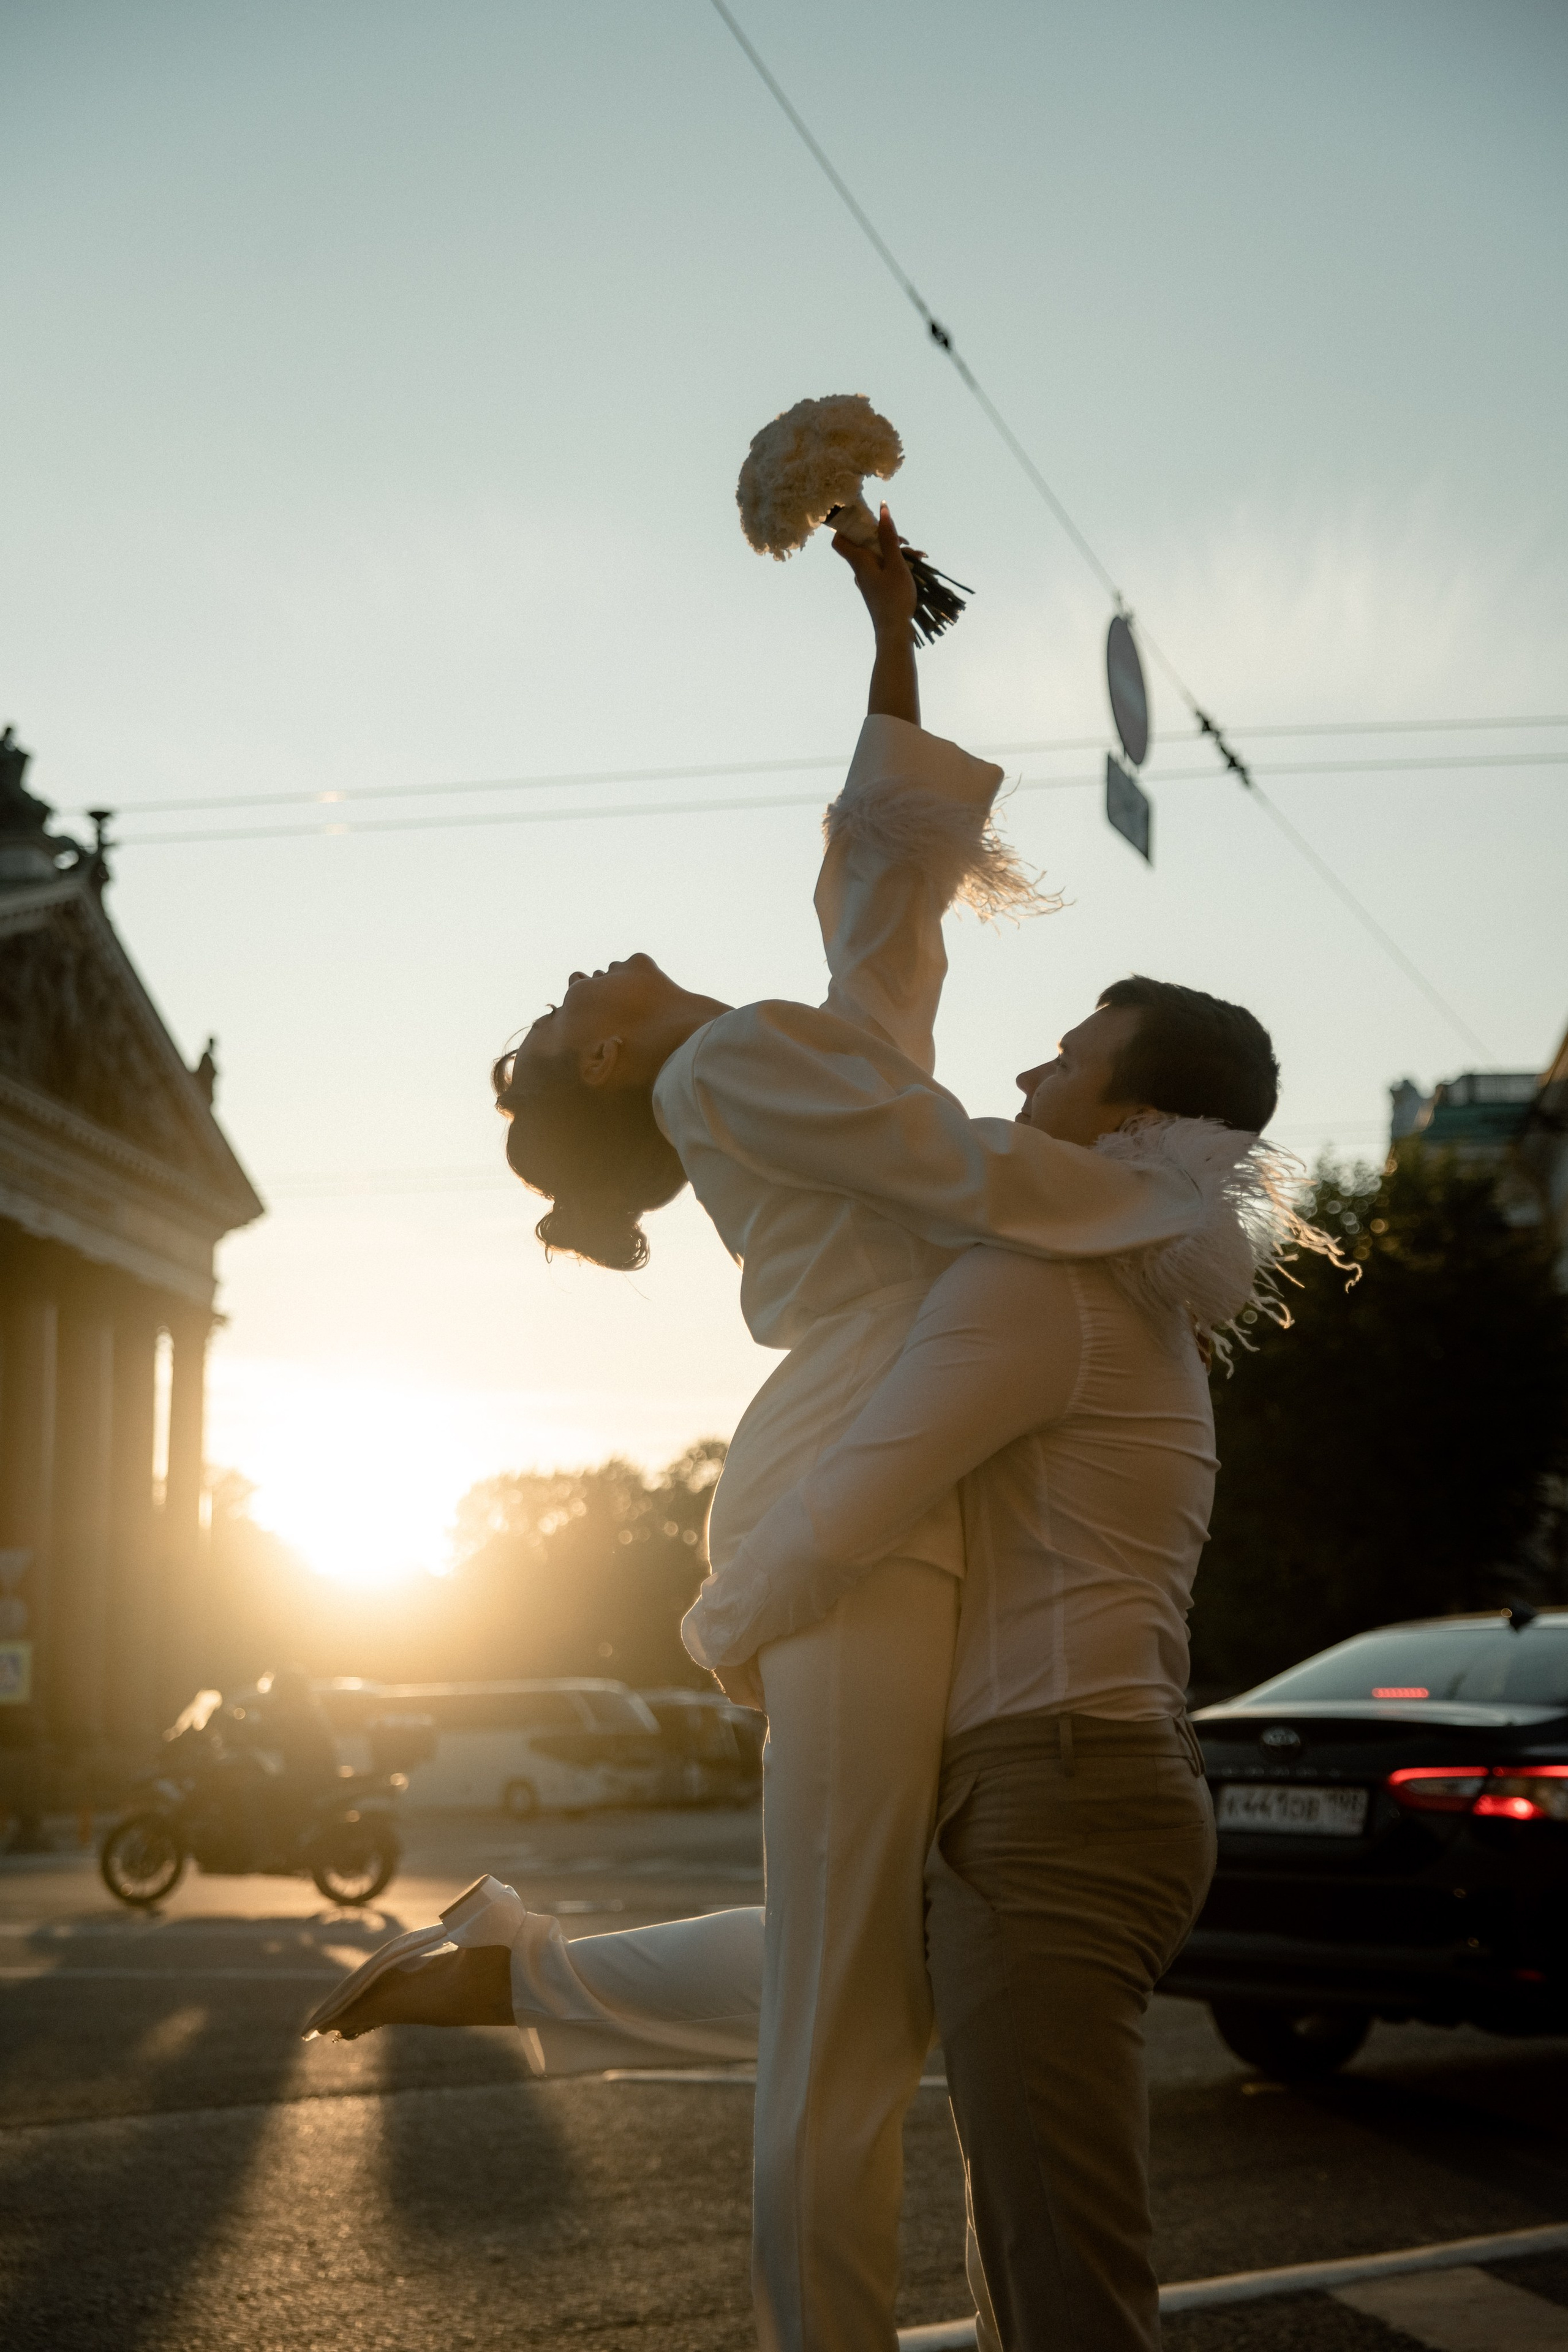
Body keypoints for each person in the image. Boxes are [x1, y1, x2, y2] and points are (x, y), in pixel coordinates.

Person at [304, 514, 1284, 2351]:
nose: (584, 969)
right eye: (559, 1002)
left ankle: (532, 1979)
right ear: (608, 1064)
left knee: (865, 1971)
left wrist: (892, 635)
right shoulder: (725, 1062)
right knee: (841, 2020)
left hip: (853, 1495)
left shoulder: (769, 1048)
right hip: (845, 1498)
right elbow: (954, 1159)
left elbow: (887, 908)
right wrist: (1158, 1195)